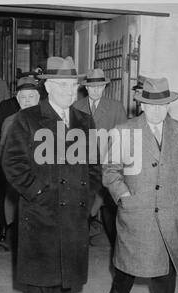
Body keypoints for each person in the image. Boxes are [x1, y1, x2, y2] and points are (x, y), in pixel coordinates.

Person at [2, 56, 101, 293]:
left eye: (72, 85)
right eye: (62, 85)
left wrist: (85, 198)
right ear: (48, 87)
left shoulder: (84, 121)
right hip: (40, 215)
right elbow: (13, 163)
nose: (69, 91)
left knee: (65, 284)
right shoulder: (28, 119)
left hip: (74, 217)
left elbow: (94, 166)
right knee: (41, 285)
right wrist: (37, 193)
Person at [102, 77, 178, 293]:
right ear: (141, 105)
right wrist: (124, 196)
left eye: (162, 105)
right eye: (151, 105)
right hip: (136, 216)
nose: (157, 111)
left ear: (168, 105)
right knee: (124, 277)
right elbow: (110, 171)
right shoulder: (124, 129)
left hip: (169, 217)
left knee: (165, 278)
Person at [73, 68, 127, 249]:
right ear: (86, 88)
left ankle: (116, 248)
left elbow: (123, 138)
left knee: (110, 206)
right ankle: (80, 246)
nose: (96, 90)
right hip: (84, 166)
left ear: (105, 87)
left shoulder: (116, 107)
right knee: (84, 206)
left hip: (108, 166)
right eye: (92, 87)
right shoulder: (76, 107)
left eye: (100, 87)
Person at [0, 77, 41, 242]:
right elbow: (2, 152)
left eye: (31, 97)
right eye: (23, 97)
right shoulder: (10, 121)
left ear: (38, 98)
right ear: (17, 99)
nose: (27, 101)